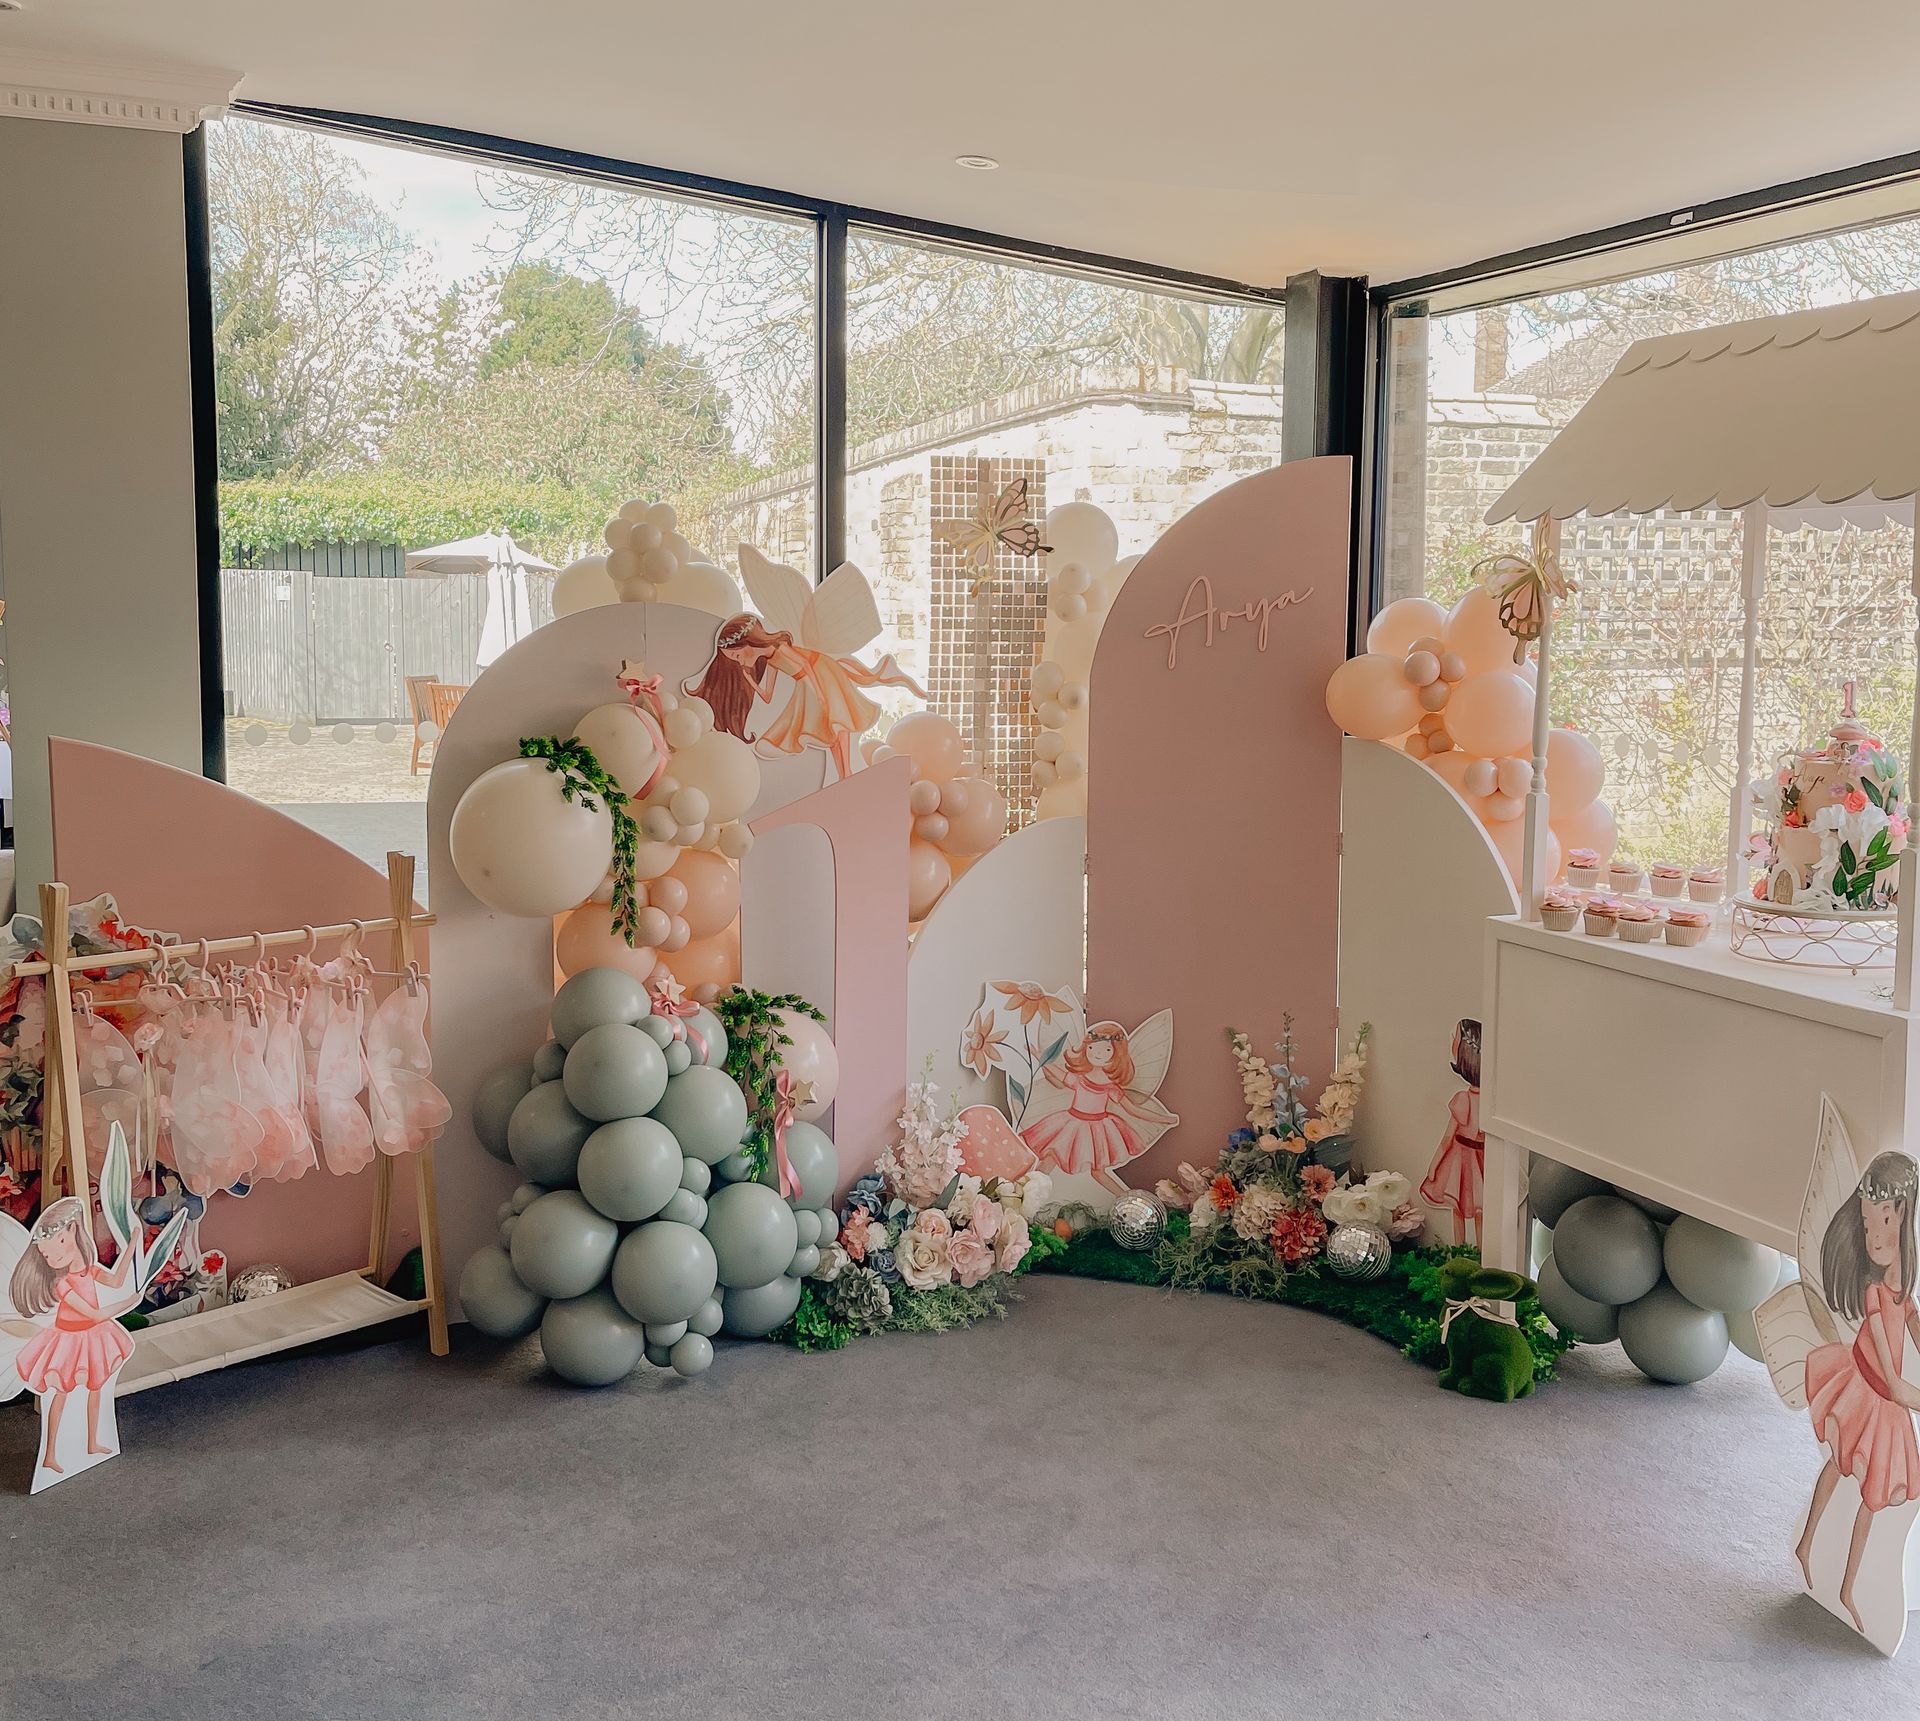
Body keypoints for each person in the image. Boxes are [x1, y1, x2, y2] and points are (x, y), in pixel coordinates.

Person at [1795, 1152, 1920, 1633]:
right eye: (1866, 1227)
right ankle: (1809, 1545)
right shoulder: (1872, 1293)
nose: (1872, 1239)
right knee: (1847, 1466)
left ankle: (1848, 1584)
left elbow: (1911, 1321)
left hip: (1886, 1404)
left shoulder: (1901, 1286)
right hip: (1869, 1390)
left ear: (1902, 1215)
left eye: (1880, 1223)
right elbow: (1892, 1382)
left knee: (1869, 1490)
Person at [688, 614, 925, 778]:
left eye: (738, 656)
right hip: (806, 685)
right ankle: (845, 774)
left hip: (821, 674)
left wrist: (821, 696)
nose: (740, 662)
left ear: (747, 645)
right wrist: (749, 679)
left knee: (837, 722)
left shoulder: (779, 648)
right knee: (827, 730)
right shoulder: (769, 661)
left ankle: (846, 773)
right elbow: (768, 696)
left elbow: (806, 665)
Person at [8, 1196, 140, 1475]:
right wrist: (129, 1303)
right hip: (68, 1340)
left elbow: (116, 1280)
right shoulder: (62, 1283)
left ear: (73, 1233)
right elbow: (93, 1314)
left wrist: (131, 1247)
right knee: (61, 1394)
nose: (53, 1258)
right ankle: (51, 1453)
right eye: (46, 1255)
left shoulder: (89, 1271)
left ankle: (93, 1442)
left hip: (93, 1338)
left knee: (96, 1388)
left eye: (59, 1247)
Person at [1018, 1023, 1173, 1195]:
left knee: (1098, 1171)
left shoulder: (1110, 1087)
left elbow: (1133, 1110)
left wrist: (1165, 1119)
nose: (1097, 1053)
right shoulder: (1081, 1079)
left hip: (1097, 1130)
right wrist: (1040, 1057)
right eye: (1092, 1047)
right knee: (1050, 1158)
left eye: (1106, 1050)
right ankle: (1022, 1192)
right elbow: (1060, 1075)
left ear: (1117, 1054)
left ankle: (1125, 1197)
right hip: (1069, 1125)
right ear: (1086, 1048)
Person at [1420, 1019, 1483, 1246]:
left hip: (1462, 1160)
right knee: (1476, 1208)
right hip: (1474, 1161)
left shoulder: (1464, 1099)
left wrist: (1434, 1165)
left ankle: (1462, 1249)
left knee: (1462, 1207)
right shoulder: (1484, 1102)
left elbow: (1447, 1139)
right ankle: (1477, 1254)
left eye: (1454, 1038)